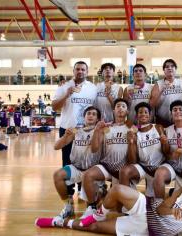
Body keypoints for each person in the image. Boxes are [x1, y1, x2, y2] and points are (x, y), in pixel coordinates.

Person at [35, 170, 182, 236]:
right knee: (117, 189)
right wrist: (172, 209)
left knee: (93, 229)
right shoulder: (181, 191)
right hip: (147, 208)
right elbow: (160, 209)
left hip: (146, 229)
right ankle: (97, 212)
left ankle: (57, 222)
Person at [81, 98, 134, 218]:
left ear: (127, 111)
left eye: (123, 106)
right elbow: (94, 149)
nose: (120, 108)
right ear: (113, 110)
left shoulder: (132, 127)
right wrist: (97, 131)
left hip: (123, 170)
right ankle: (92, 206)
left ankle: (104, 193)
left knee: (118, 209)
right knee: (87, 175)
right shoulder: (106, 127)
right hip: (107, 167)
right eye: (118, 106)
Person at [52, 61, 97, 199]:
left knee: (86, 160)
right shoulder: (65, 86)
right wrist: (66, 94)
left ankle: (84, 191)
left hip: (86, 131)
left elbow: (94, 109)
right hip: (68, 130)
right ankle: (69, 193)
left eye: (83, 69)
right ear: (73, 71)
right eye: (77, 69)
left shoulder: (92, 88)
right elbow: (54, 107)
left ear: (87, 72)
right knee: (68, 161)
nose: (80, 71)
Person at [52, 106, 102, 219]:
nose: (91, 115)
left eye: (94, 114)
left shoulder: (100, 131)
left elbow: (95, 149)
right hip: (76, 168)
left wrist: (97, 131)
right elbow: (56, 146)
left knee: (90, 204)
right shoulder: (76, 131)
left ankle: (93, 205)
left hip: (92, 171)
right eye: (88, 113)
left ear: (97, 119)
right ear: (84, 117)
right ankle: (68, 206)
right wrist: (65, 136)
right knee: (57, 175)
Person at [119, 102, 165, 197]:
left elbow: (166, 151)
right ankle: (129, 205)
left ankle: (158, 204)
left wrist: (165, 142)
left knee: (152, 198)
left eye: (145, 112)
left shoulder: (158, 127)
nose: (143, 114)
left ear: (150, 115)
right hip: (143, 167)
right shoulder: (134, 132)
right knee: (124, 171)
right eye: (140, 112)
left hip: (159, 167)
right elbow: (132, 160)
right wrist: (131, 142)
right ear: (136, 116)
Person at [150, 59, 182, 127]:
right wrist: (162, 90)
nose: (170, 68)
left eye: (172, 66)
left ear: (175, 69)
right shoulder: (158, 84)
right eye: (167, 67)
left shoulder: (181, 82)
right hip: (162, 120)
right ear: (164, 70)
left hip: (179, 119)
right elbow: (152, 104)